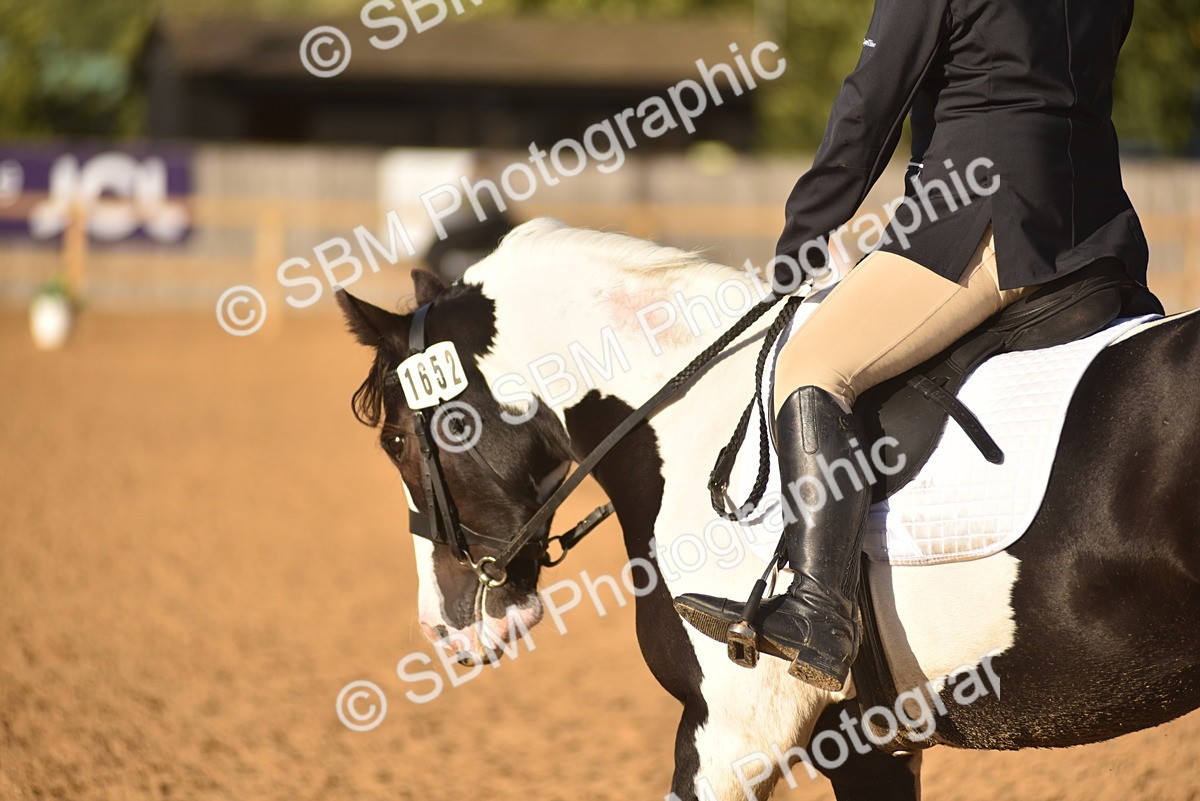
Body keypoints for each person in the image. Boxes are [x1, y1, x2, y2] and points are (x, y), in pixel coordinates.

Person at [673, 0, 1157, 691]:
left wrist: (800, 244)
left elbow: (871, 105)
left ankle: (818, 609)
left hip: (986, 219)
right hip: (1096, 231)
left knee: (812, 365)